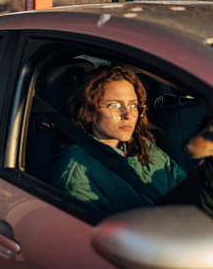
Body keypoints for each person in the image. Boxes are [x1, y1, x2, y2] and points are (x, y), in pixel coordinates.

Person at [50, 65, 187, 213]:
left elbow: (186, 191)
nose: (128, 115)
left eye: (133, 105)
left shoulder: (144, 145)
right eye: (115, 105)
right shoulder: (77, 173)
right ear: (89, 112)